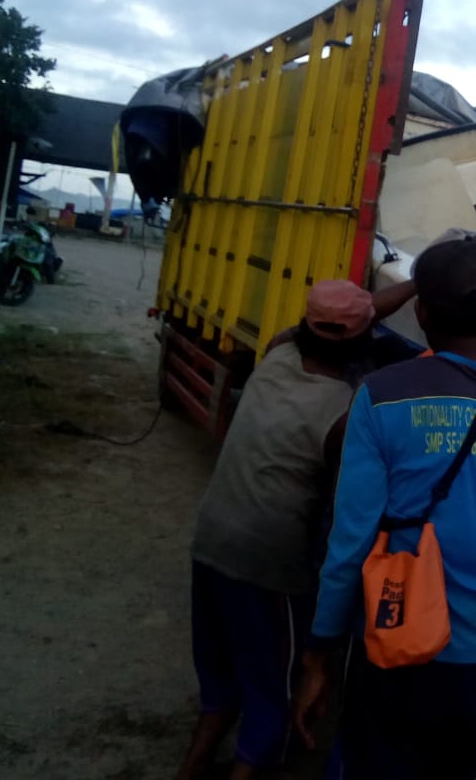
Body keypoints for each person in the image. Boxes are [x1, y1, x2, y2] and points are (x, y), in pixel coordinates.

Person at [293, 232, 476, 780]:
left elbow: (348, 542)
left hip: (393, 638)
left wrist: (320, 649)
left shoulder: (380, 396)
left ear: (421, 312)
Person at [176, 280, 377, 780]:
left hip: (211, 540)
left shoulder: (276, 356)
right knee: (276, 689)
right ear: (362, 342)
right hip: (268, 565)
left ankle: (192, 767)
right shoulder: (346, 412)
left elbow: (329, 328)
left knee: (221, 679)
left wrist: (411, 286)